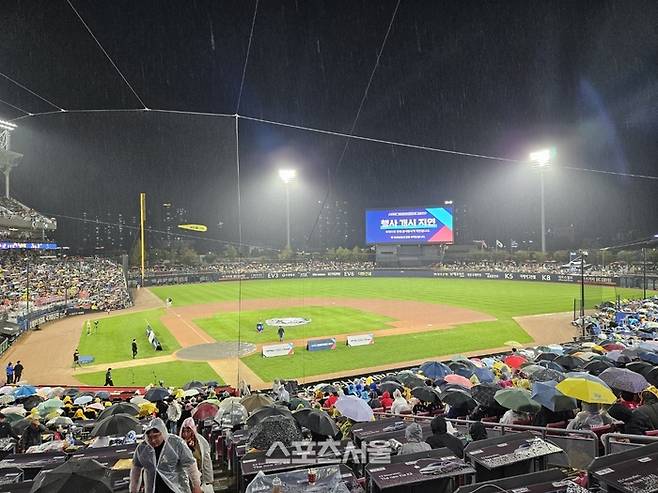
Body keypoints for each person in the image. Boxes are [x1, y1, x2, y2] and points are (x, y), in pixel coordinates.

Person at [130, 418, 202, 493]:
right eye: (149, 437)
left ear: (163, 433)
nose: (153, 440)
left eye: (156, 436)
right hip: (153, 489)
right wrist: (133, 489)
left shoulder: (176, 443)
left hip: (176, 488)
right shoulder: (142, 448)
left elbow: (190, 465)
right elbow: (136, 470)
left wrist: (196, 486)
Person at [180, 418, 214, 492]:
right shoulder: (179, 443)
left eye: (188, 431)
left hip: (199, 479)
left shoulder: (201, 442)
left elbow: (206, 461)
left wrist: (208, 480)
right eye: (183, 431)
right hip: (185, 480)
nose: (185, 434)